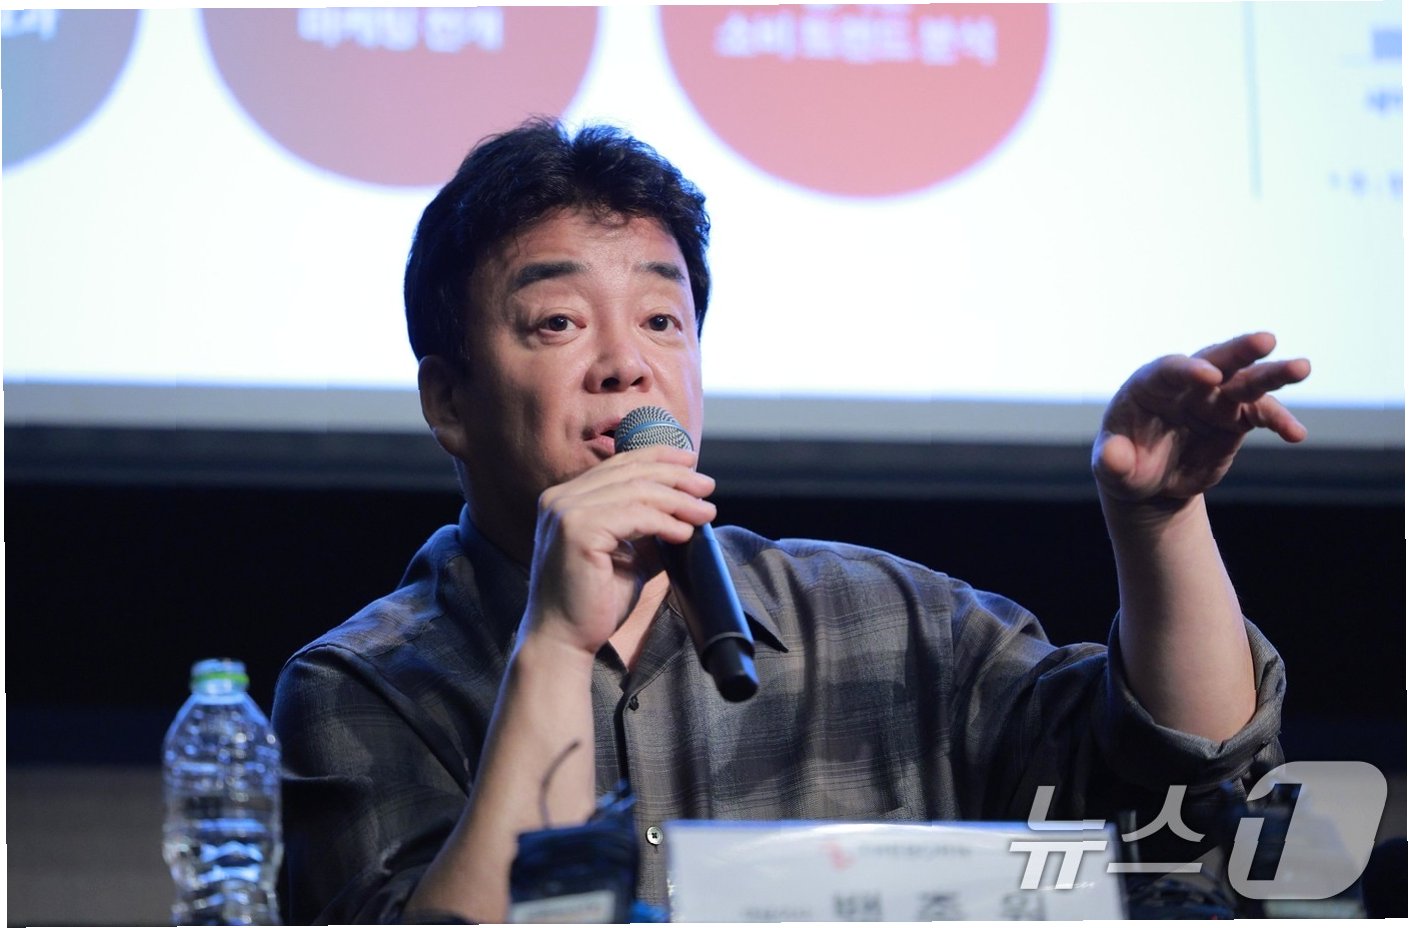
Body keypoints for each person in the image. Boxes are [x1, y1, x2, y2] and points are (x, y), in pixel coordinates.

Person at [272, 118, 1310, 924]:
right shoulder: (362, 685)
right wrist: (552, 643)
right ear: (449, 401)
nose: (626, 364)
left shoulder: (886, 617)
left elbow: (1185, 775)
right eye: (557, 322)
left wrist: (1158, 519)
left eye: (662, 319)